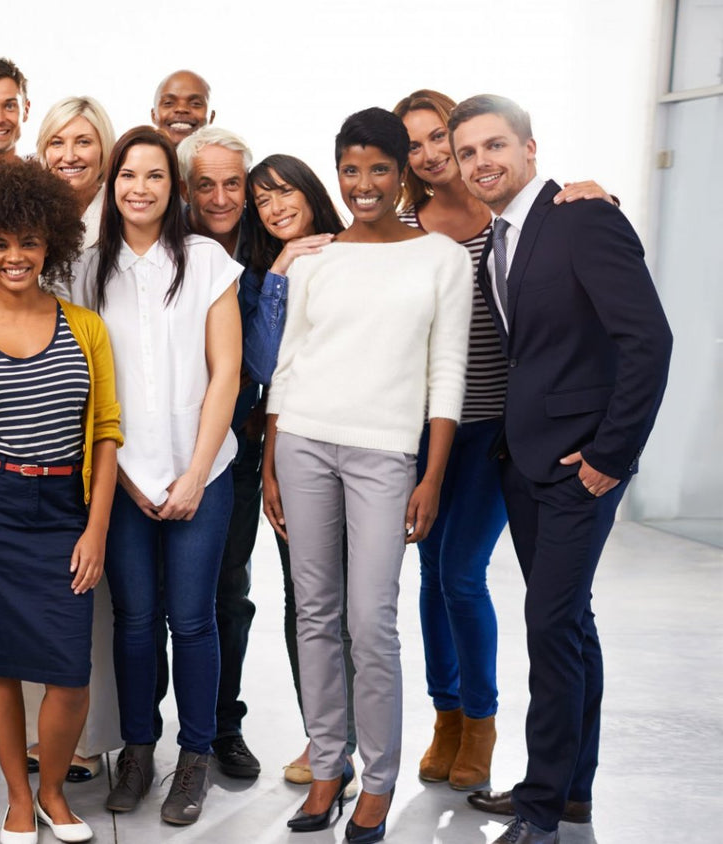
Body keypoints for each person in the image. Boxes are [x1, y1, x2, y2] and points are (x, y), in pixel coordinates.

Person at [448, 94, 671, 844]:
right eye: (469, 152)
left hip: (582, 468)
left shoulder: (583, 217)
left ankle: (540, 812)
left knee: (548, 625)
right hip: (530, 464)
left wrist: (611, 455)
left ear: (531, 148)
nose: (482, 162)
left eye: (495, 146)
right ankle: (571, 790)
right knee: (571, 624)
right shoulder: (501, 239)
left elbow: (650, 340)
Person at [392, 89, 618, 798]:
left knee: (461, 575)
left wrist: (595, 194)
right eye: (417, 146)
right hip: (431, 428)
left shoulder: (527, 214)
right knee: (430, 577)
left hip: (502, 428)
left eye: (440, 139)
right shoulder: (404, 226)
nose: (432, 156)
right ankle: (447, 715)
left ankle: (483, 722)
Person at [263, 108, 471, 844]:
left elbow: (446, 373)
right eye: (350, 170)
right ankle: (328, 767)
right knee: (314, 614)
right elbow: (286, 367)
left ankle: (378, 780)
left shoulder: (442, 257)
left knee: (370, 622)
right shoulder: (316, 257)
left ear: (403, 171)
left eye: (379, 168)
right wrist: (271, 466)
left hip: (387, 453)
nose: (363, 184)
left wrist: (432, 474)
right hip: (304, 444)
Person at [0, 157, 121, 844]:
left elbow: (104, 434)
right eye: (2, 243)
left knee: (70, 673)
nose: (15, 256)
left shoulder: (85, 328)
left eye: (29, 242)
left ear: (53, 245)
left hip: (64, 509)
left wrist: (95, 530)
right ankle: (17, 799)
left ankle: (53, 791)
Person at [72, 127, 243, 826]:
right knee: (137, 622)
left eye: (155, 176)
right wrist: (127, 480)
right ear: (112, 188)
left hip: (203, 471)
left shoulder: (205, 260)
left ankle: (195, 757)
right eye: (127, 176)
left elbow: (227, 369)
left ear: (173, 189)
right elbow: (84, 381)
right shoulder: (88, 268)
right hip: (122, 477)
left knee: (194, 620)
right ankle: (139, 750)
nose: (139, 188)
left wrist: (197, 472)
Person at [237, 153, 356, 789]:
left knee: (358, 606)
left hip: (362, 444)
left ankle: (350, 740)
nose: (278, 206)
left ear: (312, 192)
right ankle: (324, 739)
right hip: (289, 445)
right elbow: (261, 363)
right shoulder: (259, 273)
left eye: (287, 192)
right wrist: (281, 270)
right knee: (304, 599)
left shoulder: (355, 252)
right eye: (264, 199)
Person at [26, 95, 120, 781]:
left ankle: (92, 735)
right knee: (48, 585)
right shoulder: (33, 218)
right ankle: (45, 729)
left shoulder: (122, 219)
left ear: (105, 150)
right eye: (58, 141)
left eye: (84, 141)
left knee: (99, 587)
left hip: (106, 416)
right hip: (40, 427)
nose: (70, 154)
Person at [176, 126, 269, 780]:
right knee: (160, 601)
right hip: (169, 445)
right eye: (205, 183)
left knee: (227, 591)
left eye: (231, 182)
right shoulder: (166, 246)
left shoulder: (273, 245)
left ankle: (220, 725)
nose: (219, 195)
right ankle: (151, 731)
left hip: (242, 443)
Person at [36, 96, 116, 249]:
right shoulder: (29, 211)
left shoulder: (124, 209)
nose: (69, 157)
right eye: (57, 143)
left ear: (103, 147)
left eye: (83, 142)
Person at [151, 70, 214, 147]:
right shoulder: (136, 157)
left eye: (195, 104)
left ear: (211, 116)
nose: (181, 109)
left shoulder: (228, 157)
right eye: (168, 103)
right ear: (154, 115)